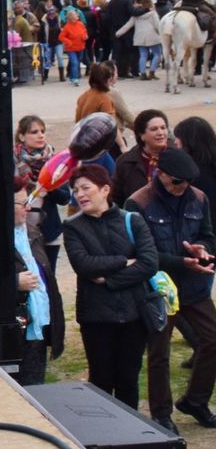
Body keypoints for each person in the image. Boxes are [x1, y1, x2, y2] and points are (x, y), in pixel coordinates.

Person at [123, 147, 216, 432]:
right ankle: (161, 413)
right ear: (159, 173)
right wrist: (182, 261)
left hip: (194, 286)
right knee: (159, 352)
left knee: (213, 339)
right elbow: (140, 253)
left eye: (187, 182)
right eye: (177, 181)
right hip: (159, 287)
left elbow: (208, 235)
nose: (182, 187)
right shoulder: (138, 203)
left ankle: (195, 401)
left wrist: (203, 249)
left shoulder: (198, 198)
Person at [63, 164, 159, 410]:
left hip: (134, 314)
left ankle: (132, 436)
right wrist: (123, 262)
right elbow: (83, 264)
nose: (80, 194)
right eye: (76, 190)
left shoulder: (133, 220)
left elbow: (149, 263)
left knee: (128, 379)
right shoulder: (73, 226)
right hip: (96, 316)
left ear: (105, 189)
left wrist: (109, 279)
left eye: (86, 188)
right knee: (100, 380)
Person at [0, 177, 63, 385]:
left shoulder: (32, 232)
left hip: (36, 329)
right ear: (1, 207)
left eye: (29, 202)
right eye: (22, 204)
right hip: (7, 334)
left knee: (37, 390)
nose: (28, 209)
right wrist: (12, 283)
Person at [15, 115, 69, 270]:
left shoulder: (54, 160)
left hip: (49, 230)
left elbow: (65, 198)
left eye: (42, 131)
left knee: (49, 276)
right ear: (21, 136)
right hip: (22, 229)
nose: (40, 135)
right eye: (34, 132)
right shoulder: (12, 160)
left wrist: (49, 186)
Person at [113, 109, 170, 207]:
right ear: (141, 135)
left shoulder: (178, 157)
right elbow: (116, 199)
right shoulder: (125, 162)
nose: (161, 133)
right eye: (154, 129)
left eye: (163, 128)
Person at [125, 0, 161, 80]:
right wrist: (161, 33)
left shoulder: (136, 14)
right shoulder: (153, 13)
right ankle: (152, 72)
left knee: (143, 55)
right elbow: (157, 25)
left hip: (140, 36)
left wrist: (118, 33)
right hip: (153, 36)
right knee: (157, 54)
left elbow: (128, 25)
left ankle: (143, 73)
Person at [105, 0, 137, 78]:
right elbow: (133, 12)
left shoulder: (112, 2)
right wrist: (145, 10)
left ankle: (114, 72)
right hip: (126, 30)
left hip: (115, 29)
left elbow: (108, 17)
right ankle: (124, 72)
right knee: (126, 52)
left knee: (116, 52)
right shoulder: (127, 1)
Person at [59, 8, 88, 85]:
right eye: (75, 14)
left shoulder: (80, 24)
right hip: (71, 48)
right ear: (71, 17)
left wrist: (85, 36)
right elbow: (61, 37)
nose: (77, 15)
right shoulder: (67, 27)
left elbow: (84, 32)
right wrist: (68, 42)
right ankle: (75, 79)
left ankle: (72, 77)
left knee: (77, 63)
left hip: (81, 47)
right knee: (74, 63)